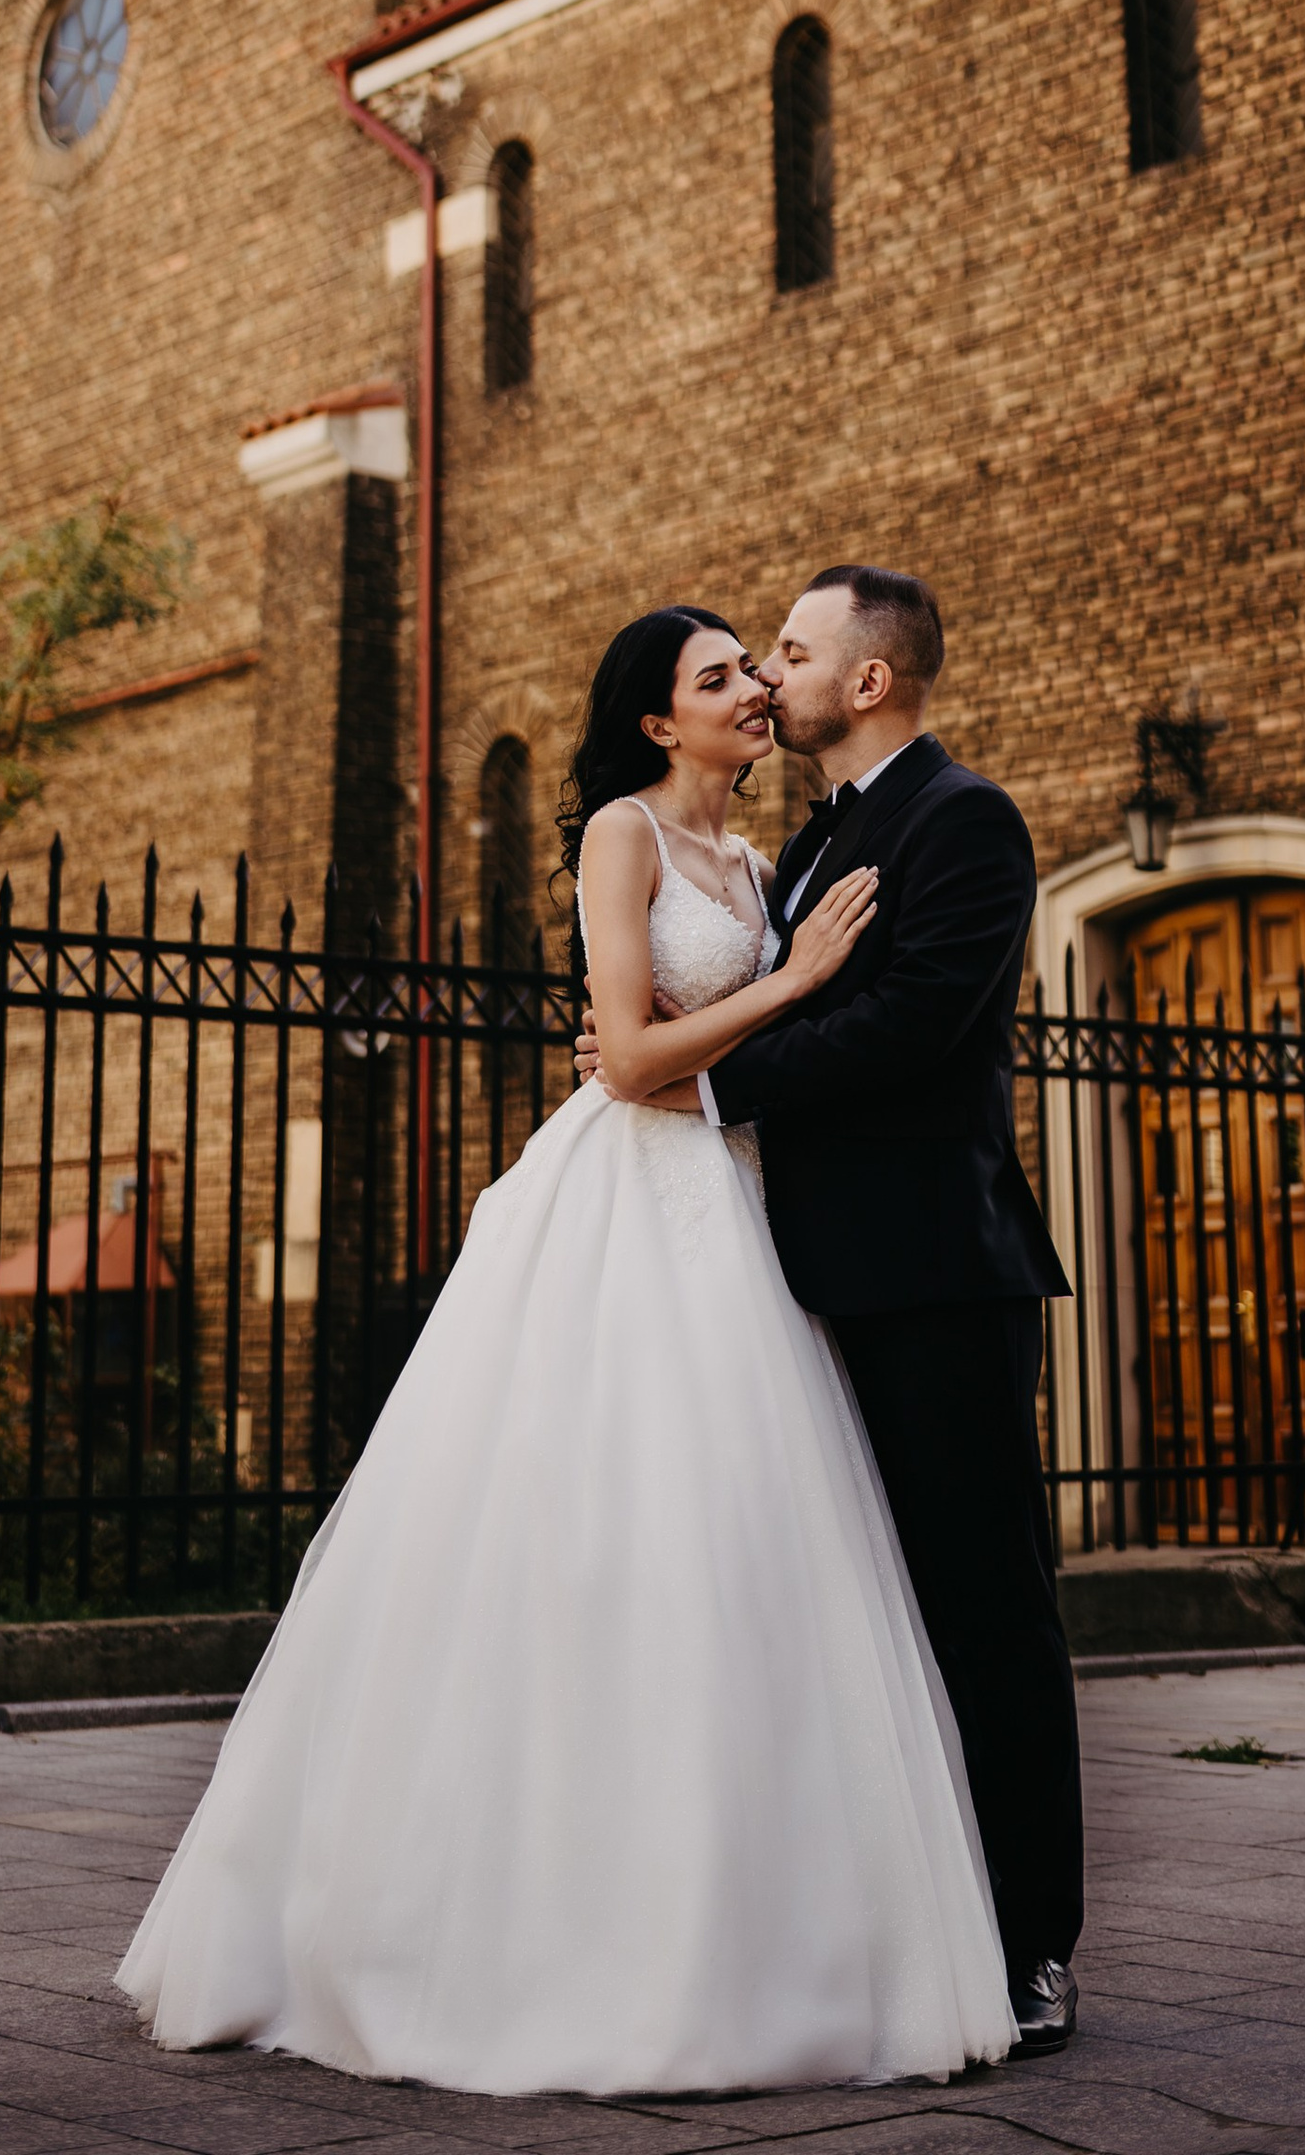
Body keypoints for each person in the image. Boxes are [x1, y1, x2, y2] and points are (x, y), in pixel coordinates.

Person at [117, 602, 1016, 2094]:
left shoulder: (767, 863)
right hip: (629, 1202)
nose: (754, 687)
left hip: (745, 1214)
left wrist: (757, 1008)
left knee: (744, 1551)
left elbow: (726, 1052)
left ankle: (758, 1930)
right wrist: (790, 982)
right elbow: (631, 1053)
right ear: (660, 721)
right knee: (592, 1529)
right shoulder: (623, 834)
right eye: (722, 675)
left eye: (760, 666)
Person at [583, 566, 1083, 2055]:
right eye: (749, 662)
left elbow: (910, 1027)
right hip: (790, 1281)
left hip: (932, 1275)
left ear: (867, 680)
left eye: (789, 654)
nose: (769, 676)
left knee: (984, 1612)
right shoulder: (799, 845)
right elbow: (753, 996)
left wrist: (694, 1080)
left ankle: (1034, 1945)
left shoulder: (963, 821)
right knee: (861, 1619)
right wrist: (657, 1056)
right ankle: (905, 1930)